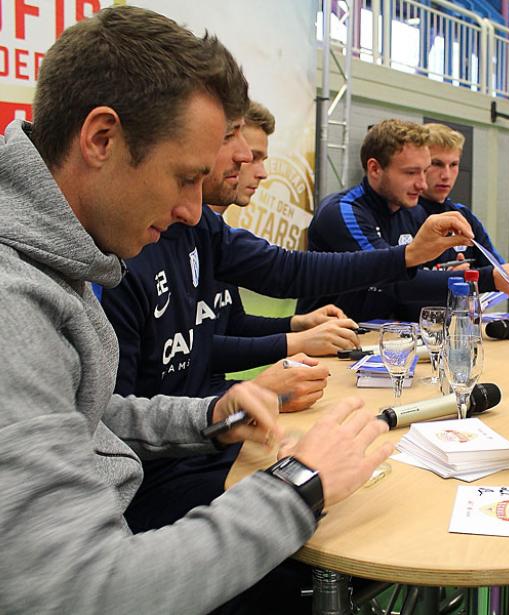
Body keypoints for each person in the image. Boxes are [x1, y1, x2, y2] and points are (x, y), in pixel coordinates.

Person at [0, 7, 469, 613]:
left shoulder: (61, 256)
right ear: (101, 139)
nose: (195, 211)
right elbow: (84, 592)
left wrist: (208, 415)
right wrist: (300, 483)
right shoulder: (15, 302)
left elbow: (86, 412)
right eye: (187, 177)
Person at [101, 105, 476, 533]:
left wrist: (285, 340)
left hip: (200, 437)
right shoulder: (122, 254)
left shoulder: (202, 227)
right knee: (333, 512)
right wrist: (286, 345)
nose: (250, 163)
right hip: (162, 476)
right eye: (235, 142)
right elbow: (119, 420)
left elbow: (282, 274)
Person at [299, 119, 509, 321]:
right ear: (374, 169)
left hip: (378, 341)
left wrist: (504, 280)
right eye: (411, 172)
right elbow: (392, 280)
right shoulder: (343, 212)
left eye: (424, 170)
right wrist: (486, 278)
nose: (423, 183)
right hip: (324, 346)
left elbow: (411, 288)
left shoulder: (413, 210)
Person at [207, 102, 359, 394]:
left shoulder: (214, 233)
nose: (262, 172)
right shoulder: (170, 239)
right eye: (252, 158)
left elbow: (231, 324)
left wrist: (297, 324)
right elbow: (190, 352)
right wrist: (295, 342)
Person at [416, 123, 504, 270]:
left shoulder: (464, 216)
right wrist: (445, 280)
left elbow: (499, 271)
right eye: (436, 164)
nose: (446, 175)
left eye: (454, 165)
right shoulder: (400, 215)